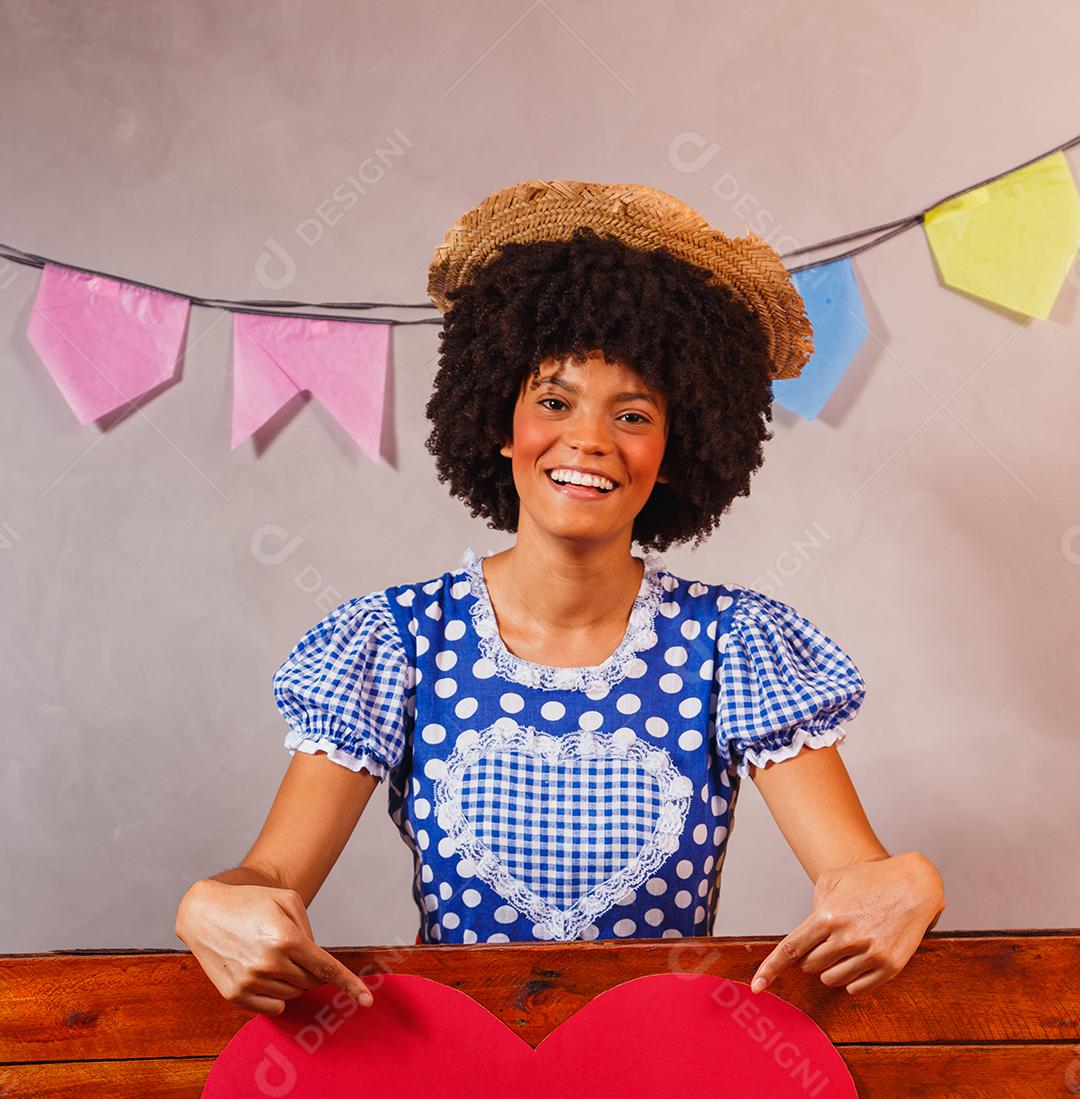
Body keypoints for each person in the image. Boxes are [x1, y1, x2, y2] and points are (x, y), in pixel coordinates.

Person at [175, 180, 945, 1014]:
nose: (587, 439)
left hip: (658, 1078)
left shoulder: (733, 643)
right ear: (500, 423)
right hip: (460, 1081)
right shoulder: (392, 640)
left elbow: (857, 873)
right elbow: (271, 877)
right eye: (553, 400)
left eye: (634, 414)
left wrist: (906, 882)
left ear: (677, 450)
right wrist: (214, 899)